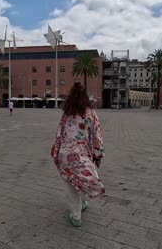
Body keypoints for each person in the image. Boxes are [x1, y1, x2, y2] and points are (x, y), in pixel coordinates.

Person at [51, 83, 105, 227]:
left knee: (70, 182)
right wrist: (98, 154)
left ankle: (77, 213)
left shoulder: (67, 113)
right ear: (85, 98)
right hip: (81, 154)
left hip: (65, 153)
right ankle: (77, 213)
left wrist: (56, 153)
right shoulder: (91, 113)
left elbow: (59, 134)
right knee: (82, 177)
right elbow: (97, 135)